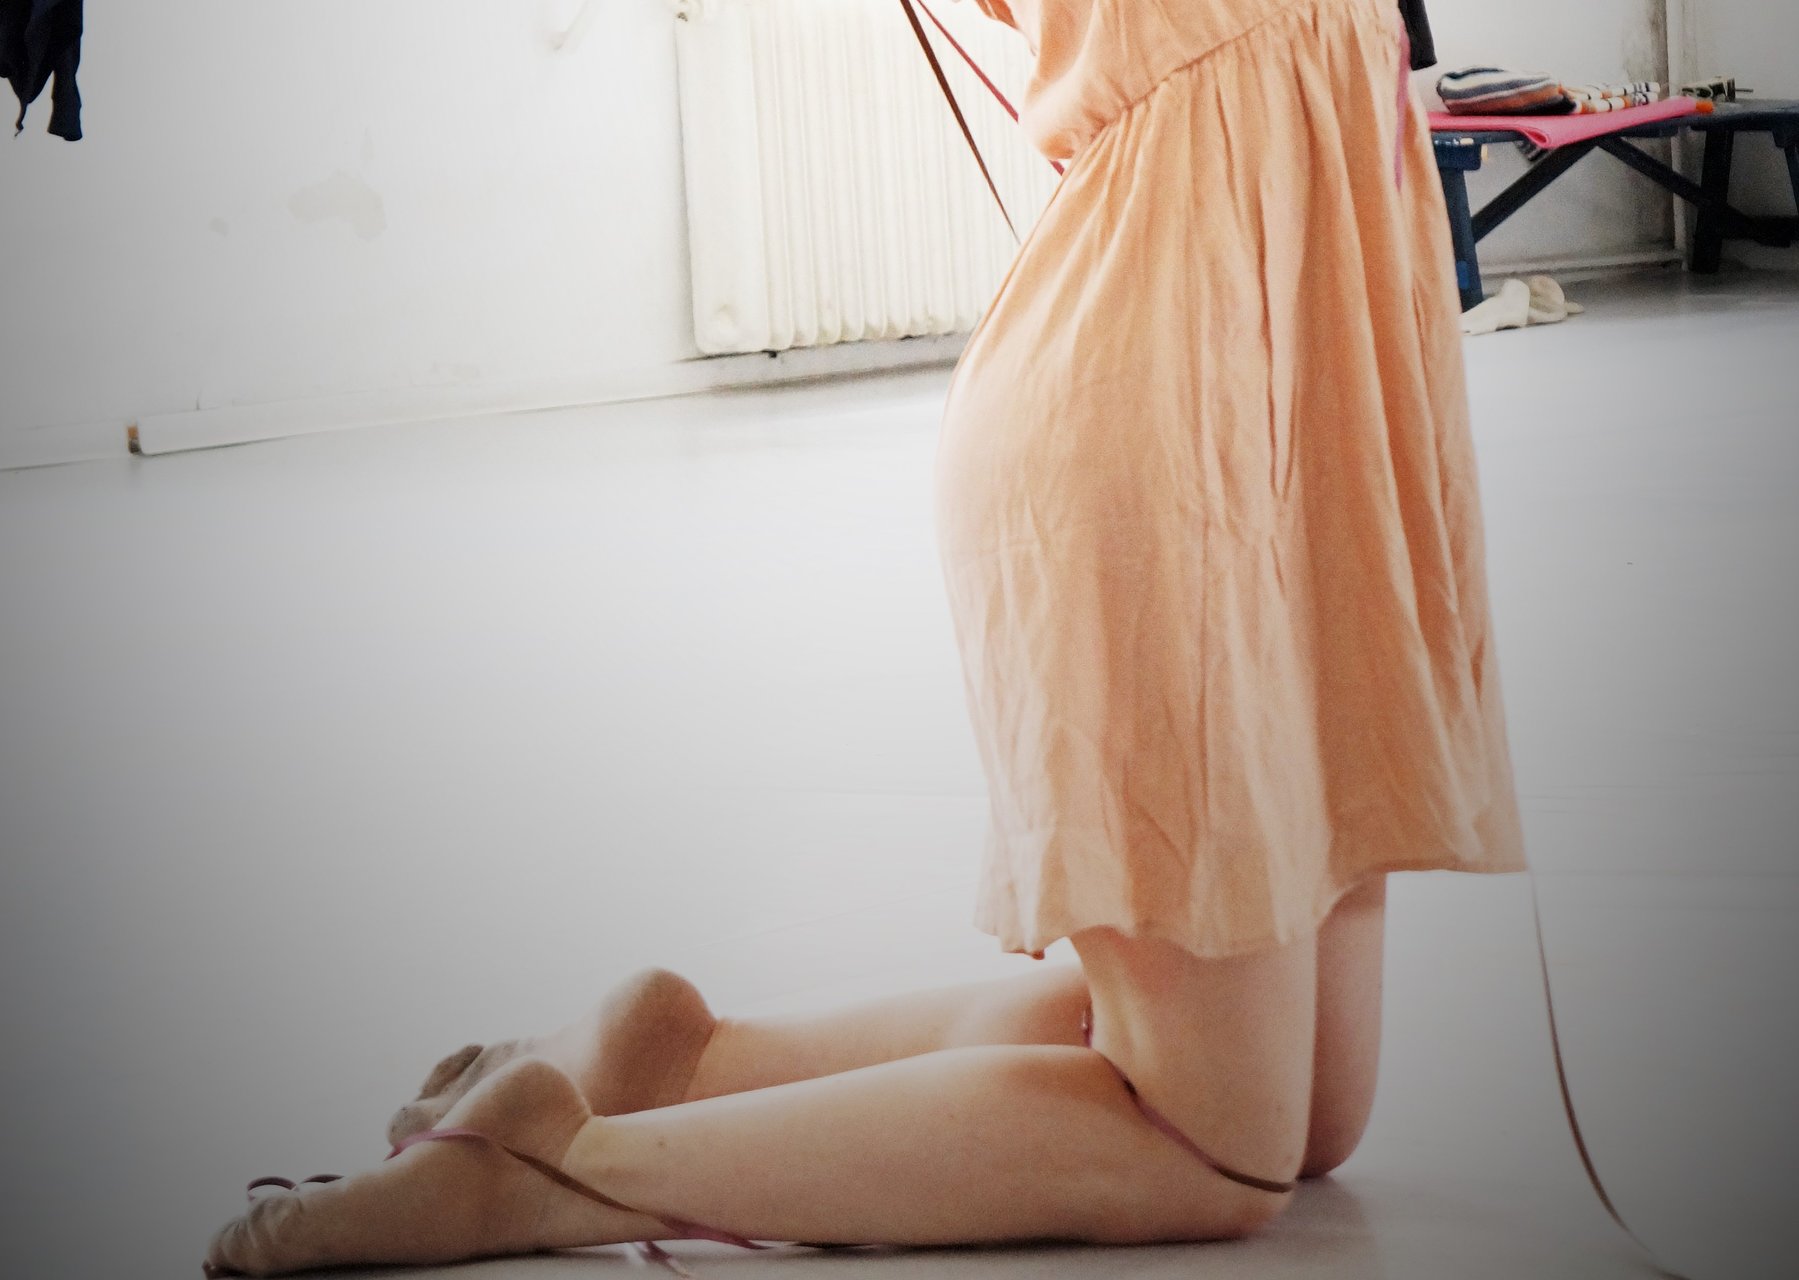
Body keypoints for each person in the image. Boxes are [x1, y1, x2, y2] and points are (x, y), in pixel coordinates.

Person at [203, 0, 1525, 1273]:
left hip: (1316, 392)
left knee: (1310, 1119)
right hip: (1179, 419)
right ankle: (549, 1173)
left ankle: (674, 1059)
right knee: (1213, 1148)